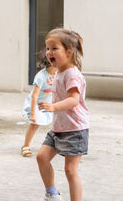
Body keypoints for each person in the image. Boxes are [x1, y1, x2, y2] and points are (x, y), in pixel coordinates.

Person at [37, 28, 89, 201]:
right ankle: (52, 194)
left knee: (70, 170)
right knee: (42, 157)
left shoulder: (72, 74)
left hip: (75, 129)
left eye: (54, 48)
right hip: (59, 128)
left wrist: (53, 106)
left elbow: (74, 100)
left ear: (69, 51)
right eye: (47, 48)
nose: (49, 52)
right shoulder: (59, 71)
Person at [21, 51, 56, 157]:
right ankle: (25, 146)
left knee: (57, 124)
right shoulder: (41, 76)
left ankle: (57, 145)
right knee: (34, 124)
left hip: (50, 103)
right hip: (37, 104)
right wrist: (32, 113)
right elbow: (34, 96)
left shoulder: (59, 73)